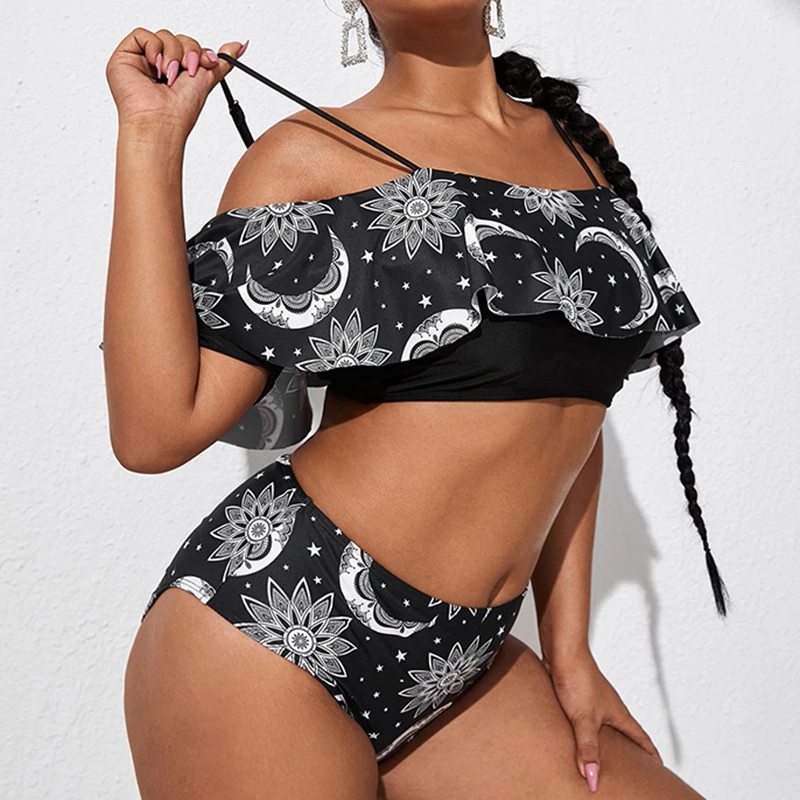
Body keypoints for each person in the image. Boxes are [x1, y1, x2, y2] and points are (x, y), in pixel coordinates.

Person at [104, 2, 727, 797]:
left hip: (464, 660)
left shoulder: (581, 149)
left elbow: (572, 412)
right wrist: (151, 137)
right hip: (266, 634)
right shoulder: (306, 155)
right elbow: (154, 433)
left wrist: (571, 651)